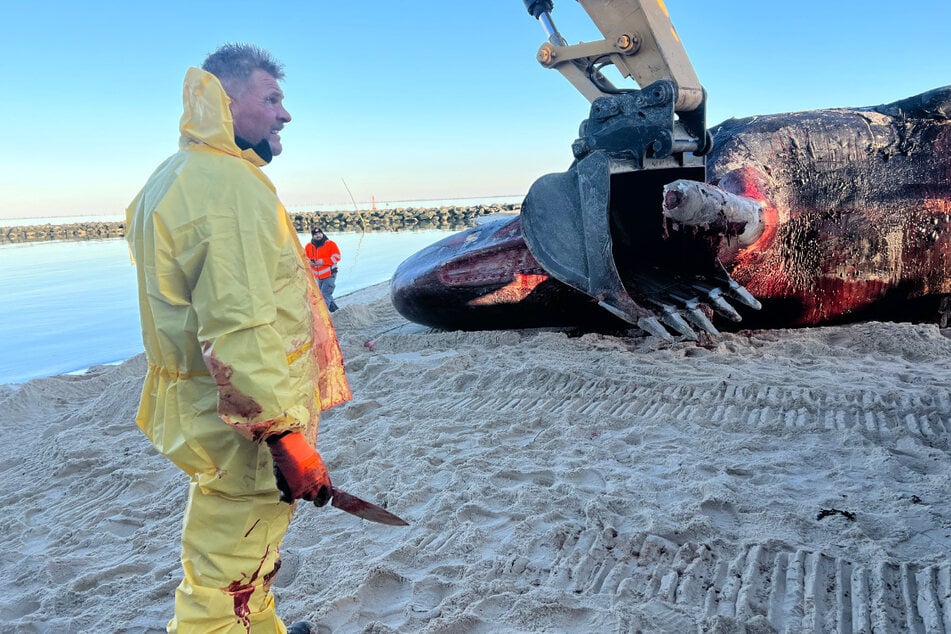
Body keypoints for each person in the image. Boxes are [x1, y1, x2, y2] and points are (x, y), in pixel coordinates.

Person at [125, 43, 351, 634]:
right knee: (227, 580)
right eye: (271, 98)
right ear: (226, 105)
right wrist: (281, 433)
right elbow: (239, 324)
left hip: (202, 406)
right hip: (242, 420)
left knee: (244, 554)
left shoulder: (169, 178)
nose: (285, 114)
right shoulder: (228, 187)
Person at [304, 227, 341, 312]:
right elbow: (305, 259)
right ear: (312, 236)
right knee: (324, 295)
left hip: (330, 274)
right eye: (316, 234)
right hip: (317, 277)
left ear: (323, 234)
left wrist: (323, 261)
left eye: (320, 233)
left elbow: (337, 257)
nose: (318, 236)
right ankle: (336, 311)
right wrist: (310, 263)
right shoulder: (308, 246)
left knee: (324, 295)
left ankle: (325, 317)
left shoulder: (330, 244)